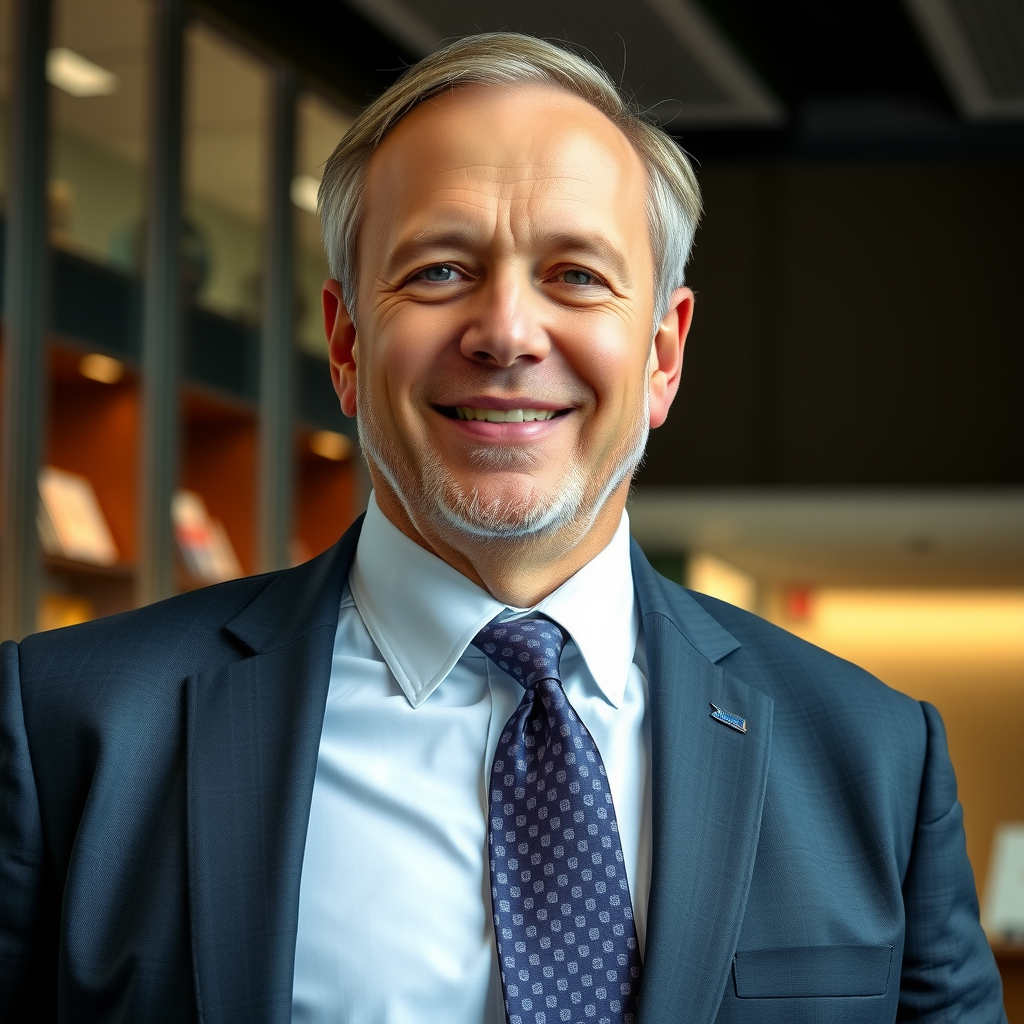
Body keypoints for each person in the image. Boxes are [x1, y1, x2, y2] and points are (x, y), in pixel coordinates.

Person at [0, 32, 1005, 1024]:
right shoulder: (68, 728)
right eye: (439, 270)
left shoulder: (873, 754)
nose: (508, 333)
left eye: (575, 274)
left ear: (662, 354)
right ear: (347, 343)